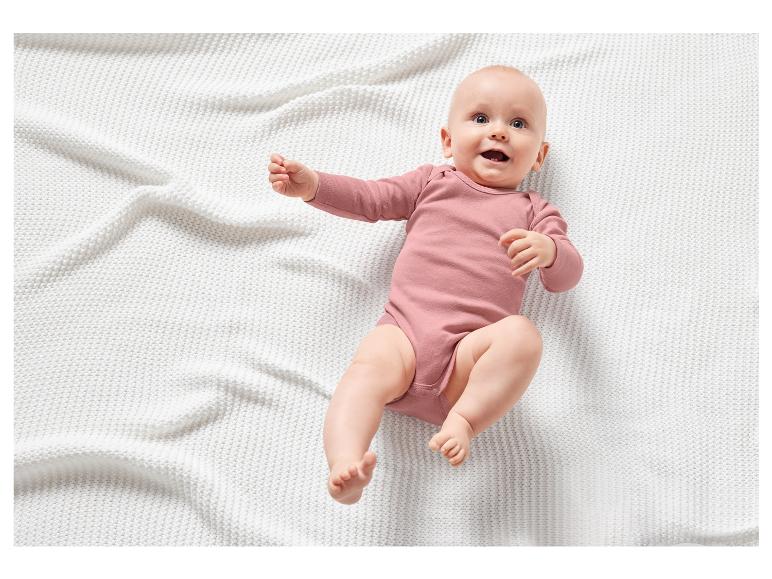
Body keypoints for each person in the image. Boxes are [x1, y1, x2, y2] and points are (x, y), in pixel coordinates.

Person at [267, 65, 583, 505]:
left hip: (466, 366)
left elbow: (567, 277)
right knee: (365, 371)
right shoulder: (431, 183)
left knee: (523, 336)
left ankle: (465, 422)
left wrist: (550, 251)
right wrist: (315, 187)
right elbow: (371, 198)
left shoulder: (535, 212)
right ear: (448, 140)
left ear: (540, 156)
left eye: (518, 123)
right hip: (405, 340)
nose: (499, 133)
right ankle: (345, 462)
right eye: (480, 119)